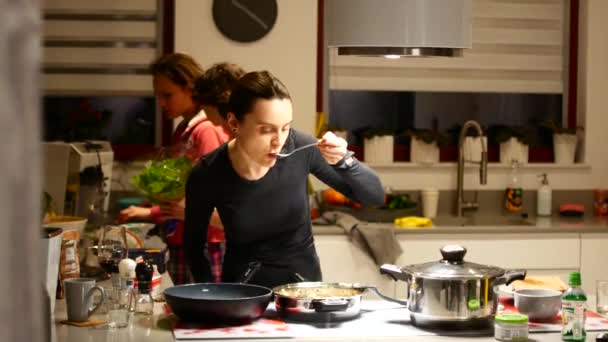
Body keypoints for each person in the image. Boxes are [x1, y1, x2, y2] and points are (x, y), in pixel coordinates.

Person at [184, 71, 385, 289]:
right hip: (241, 293)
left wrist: (345, 161)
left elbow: (374, 196)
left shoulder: (301, 148)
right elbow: (194, 246)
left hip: (303, 292)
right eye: (266, 129)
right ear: (234, 122)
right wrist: (208, 295)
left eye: (285, 127)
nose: (278, 141)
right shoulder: (208, 173)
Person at [120, 53, 230, 285]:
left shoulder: (205, 130)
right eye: (158, 96)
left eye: (167, 95)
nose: (161, 103)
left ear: (189, 88)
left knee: (206, 310)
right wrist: (151, 204)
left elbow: (206, 194)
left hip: (207, 240)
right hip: (184, 236)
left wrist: (151, 213)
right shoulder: (184, 129)